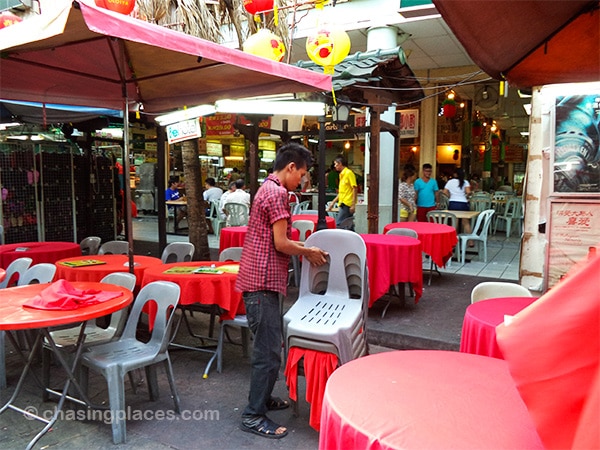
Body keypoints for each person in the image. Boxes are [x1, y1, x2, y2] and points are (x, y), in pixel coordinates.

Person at [235, 142, 328, 439]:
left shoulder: (267, 187)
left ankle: (261, 400)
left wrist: (303, 247)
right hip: (261, 284)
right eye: (301, 174)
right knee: (268, 353)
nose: (301, 180)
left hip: (261, 282)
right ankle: (253, 415)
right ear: (290, 167)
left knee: (270, 350)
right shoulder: (277, 193)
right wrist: (308, 252)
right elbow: (280, 243)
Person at [327, 155, 358, 227]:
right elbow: (341, 192)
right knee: (348, 225)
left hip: (347, 203)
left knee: (339, 224)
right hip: (343, 202)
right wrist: (333, 202)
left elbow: (355, 188)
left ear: (340, 163)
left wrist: (353, 204)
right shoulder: (341, 174)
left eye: (335, 164)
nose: (335, 166)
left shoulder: (348, 173)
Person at [443, 167, 473, 240]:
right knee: (465, 222)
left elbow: (444, 192)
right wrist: (467, 196)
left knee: (454, 222)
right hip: (463, 203)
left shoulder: (450, 182)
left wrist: (450, 196)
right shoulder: (465, 182)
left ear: (455, 174)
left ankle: (453, 240)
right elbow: (468, 192)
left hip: (453, 203)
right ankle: (471, 241)